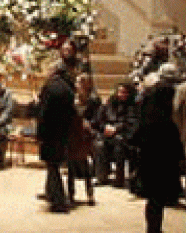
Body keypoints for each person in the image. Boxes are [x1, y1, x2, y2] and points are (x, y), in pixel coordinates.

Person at [136, 71, 185, 233]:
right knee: (157, 204)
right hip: (161, 167)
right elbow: (174, 147)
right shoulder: (163, 121)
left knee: (154, 204)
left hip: (149, 165)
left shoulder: (147, 116)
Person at [37, 63, 75, 213]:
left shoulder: (50, 87)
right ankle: (51, 193)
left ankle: (58, 200)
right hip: (63, 132)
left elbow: (43, 112)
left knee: (52, 166)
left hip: (50, 131)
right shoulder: (68, 88)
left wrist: (39, 132)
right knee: (54, 165)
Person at [97, 81, 138, 188]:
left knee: (119, 144)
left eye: (124, 92)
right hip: (108, 134)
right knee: (99, 145)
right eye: (120, 92)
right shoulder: (109, 104)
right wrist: (105, 127)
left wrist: (116, 128)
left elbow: (132, 122)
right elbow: (99, 120)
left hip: (125, 136)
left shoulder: (133, 105)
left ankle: (119, 178)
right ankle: (102, 177)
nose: (121, 94)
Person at [67, 72, 99, 206]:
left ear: (87, 84)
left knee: (85, 166)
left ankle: (90, 194)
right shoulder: (72, 98)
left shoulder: (93, 99)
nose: (77, 85)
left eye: (80, 82)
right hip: (74, 135)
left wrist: (89, 123)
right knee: (71, 167)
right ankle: (70, 194)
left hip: (85, 136)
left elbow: (97, 117)